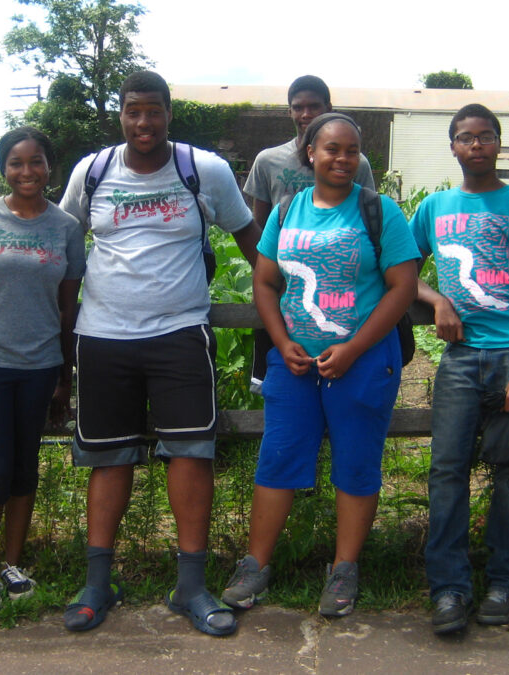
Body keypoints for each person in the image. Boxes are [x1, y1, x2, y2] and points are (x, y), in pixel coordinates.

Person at [56, 70, 261, 636]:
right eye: (132, 111)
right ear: (120, 115)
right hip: (101, 335)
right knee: (107, 457)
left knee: (192, 453)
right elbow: (64, 246)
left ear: (170, 113)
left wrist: (284, 301)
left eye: (153, 110)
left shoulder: (204, 171)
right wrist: (58, 335)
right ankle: (98, 583)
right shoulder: (93, 172)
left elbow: (252, 241)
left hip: (179, 331)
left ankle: (190, 586)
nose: (142, 122)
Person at [221, 112, 419, 618]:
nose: (343, 159)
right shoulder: (287, 211)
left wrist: (353, 348)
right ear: (310, 153)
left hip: (365, 359)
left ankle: (343, 570)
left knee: (356, 461)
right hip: (296, 363)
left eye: (352, 151)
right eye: (332, 149)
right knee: (279, 457)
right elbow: (265, 281)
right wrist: (282, 340)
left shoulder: (379, 211)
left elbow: (401, 288)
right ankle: (255, 565)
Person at [409, 104, 509, 635]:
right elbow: (402, 272)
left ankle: (508, 583)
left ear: (498, 144)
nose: (476, 145)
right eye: (465, 138)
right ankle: (448, 590)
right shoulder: (433, 208)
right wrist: (437, 300)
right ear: (452, 146)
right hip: (460, 361)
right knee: (447, 472)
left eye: (485, 137)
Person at [0, 127, 85, 608]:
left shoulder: (66, 227)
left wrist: (64, 378)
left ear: (50, 167)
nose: (27, 171)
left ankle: (12, 564)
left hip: (41, 364)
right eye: (16, 163)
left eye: (36, 162)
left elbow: (68, 311)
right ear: (3, 168)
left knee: (26, 468)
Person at [243, 75, 376, 392]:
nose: (305, 114)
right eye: (297, 107)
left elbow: (367, 220)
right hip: (284, 281)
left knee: (347, 374)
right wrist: (271, 278)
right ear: (288, 112)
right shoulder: (268, 160)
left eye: (313, 106)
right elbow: (259, 227)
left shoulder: (357, 163)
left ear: (329, 108)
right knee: (284, 371)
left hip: (338, 281)